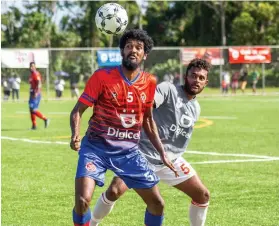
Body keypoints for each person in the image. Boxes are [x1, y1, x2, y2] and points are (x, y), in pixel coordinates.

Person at [70, 29, 177, 226]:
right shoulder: (102, 76)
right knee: (82, 201)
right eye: (128, 46)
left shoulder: (150, 82)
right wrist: (75, 134)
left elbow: (148, 120)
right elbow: (77, 110)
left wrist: (162, 152)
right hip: (95, 149)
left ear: (145, 54)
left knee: (157, 204)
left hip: (129, 153)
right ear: (122, 52)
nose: (133, 50)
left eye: (138, 47)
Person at [91, 58, 211, 226]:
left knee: (202, 195)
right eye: (193, 75)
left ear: (206, 82)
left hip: (170, 161)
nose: (196, 80)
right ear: (186, 76)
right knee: (115, 190)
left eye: (201, 78)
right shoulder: (168, 89)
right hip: (142, 154)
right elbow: (148, 105)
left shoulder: (196, 107)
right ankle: (92, 222)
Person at [28, 62, 50, 130]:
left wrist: (36, 92)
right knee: (31, 109)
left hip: (36, 95)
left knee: (33, 109)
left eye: (33, 66)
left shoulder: (36, 74)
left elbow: (39, 83)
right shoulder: (31, 75)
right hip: (32, 94)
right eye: (30, 66)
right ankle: (34, 126)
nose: (31, 67)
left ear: (35, 67)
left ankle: (45, 119)